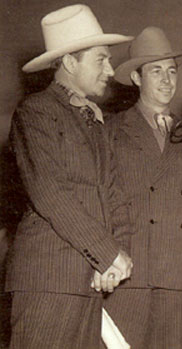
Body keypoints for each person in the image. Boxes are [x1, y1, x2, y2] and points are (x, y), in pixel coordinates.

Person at [6, 4, 134, 348]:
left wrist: (114, 256)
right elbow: (50, 192)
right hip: (48, 280)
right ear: (69, 62)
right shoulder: (36, 112)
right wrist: (107, 253)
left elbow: (113, 193)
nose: (109, 69)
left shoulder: (94, 119)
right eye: (101, 59)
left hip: (89, 280)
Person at [104, 27, 182, 348]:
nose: (166, 80)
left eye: (172, 71)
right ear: (136, 78)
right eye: (156, 71)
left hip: (175, 277)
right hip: (128, 275)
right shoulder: (112, 129)